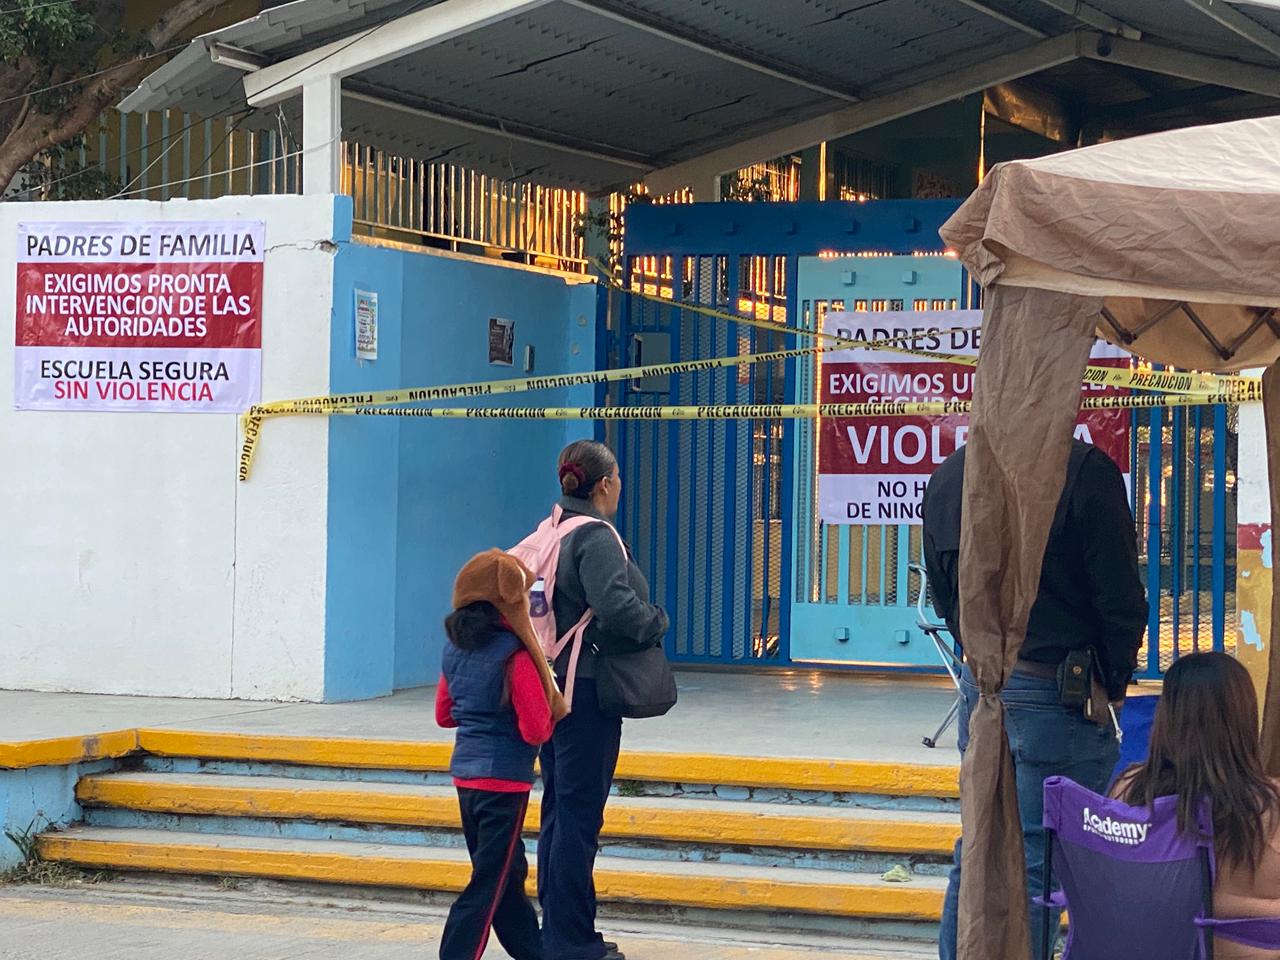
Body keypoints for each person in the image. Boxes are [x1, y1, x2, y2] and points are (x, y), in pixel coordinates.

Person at [924, 438, 1148, 960]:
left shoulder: (953, 474)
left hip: (985, 686)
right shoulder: (1086, 472)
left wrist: (986, 657)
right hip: (1057, 693)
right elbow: (1121, 600)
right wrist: (1110, 685)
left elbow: (944, 594)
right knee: (1036, 860)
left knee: (978, 849)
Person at [538, 440, 669, 960]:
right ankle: (570, 941)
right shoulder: (595, 536)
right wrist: (656, 620)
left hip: (556, 688)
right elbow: (616, 606)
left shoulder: (553, 528)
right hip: (587, 692)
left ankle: (561, 931)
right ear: (606, 483)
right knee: (578, 817)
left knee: (560, 811)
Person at [1112, 652, 1280, 960]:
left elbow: (1116, 889)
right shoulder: (1271, 805)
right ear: (1244, 717)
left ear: (1167, 716)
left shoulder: (1131, 791)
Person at [435, 549, 560, 960]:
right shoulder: (515, 655)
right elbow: (536, 728)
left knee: (507, 875)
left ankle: (534, 951)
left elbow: (444, 714)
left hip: (466, 777)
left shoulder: (454, 651)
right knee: (490, 881)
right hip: (504, 781)